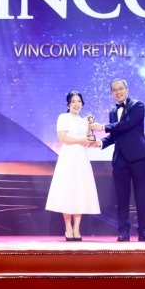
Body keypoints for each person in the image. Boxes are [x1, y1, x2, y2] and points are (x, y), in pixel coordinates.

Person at [89, 78, 145, 242]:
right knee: (122, 197)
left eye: (120, 88)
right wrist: (99, 142)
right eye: (114, 90)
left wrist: (103, 127)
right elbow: (115, 135)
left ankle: (143, 231)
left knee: (141, 195)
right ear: (112, 93)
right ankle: (124, 231)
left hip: (138, 156)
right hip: (120, 159)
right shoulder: (112, 112)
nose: (118, 92)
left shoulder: (137, 105)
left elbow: (127, 124)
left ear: (127, 89)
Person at [45, 90, 101, 241]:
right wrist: (81, 140)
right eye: (73, 101)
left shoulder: (84, 121)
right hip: (68, 157)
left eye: (79, 101)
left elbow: (87, 140)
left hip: (81, 158)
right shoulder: (63, 117)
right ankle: (68, 227)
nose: (76, 104)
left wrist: (91, 141)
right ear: (68, 104)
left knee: (79, 191)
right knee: (67, 190)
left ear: (82, 103)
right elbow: (62, 138)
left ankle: (77, 228)